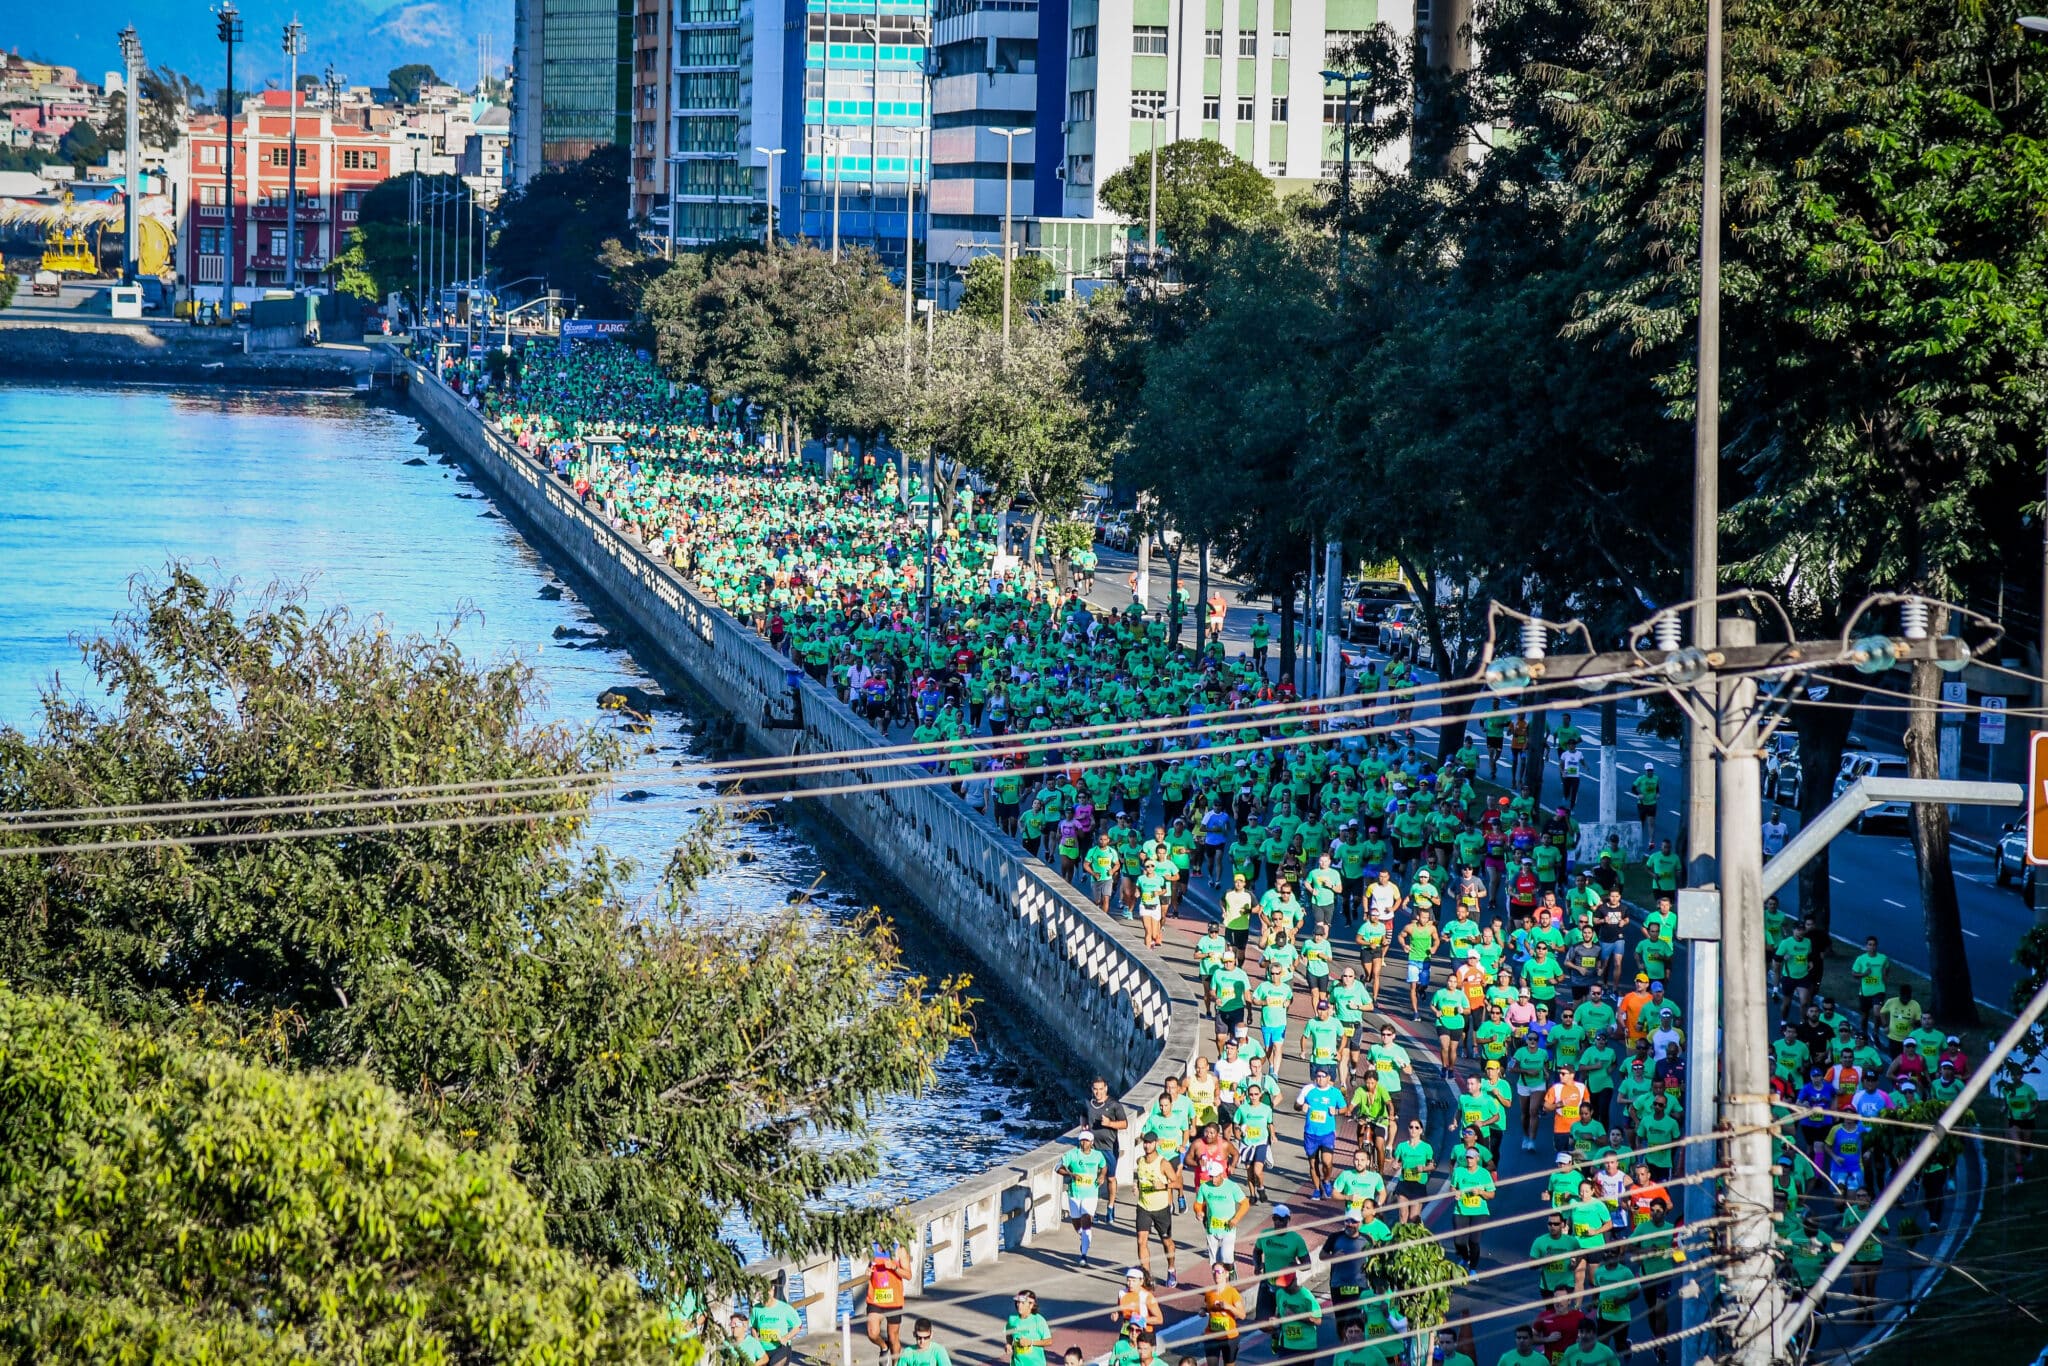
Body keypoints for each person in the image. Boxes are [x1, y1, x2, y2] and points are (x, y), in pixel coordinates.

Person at [1252, 1205, 1311, 1348]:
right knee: (1262, 1323)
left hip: (1287, 1285)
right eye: (1275, 1219)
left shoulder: (1296, 1239)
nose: (1278, 1222)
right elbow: (1257, 1251)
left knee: (1288, 1317)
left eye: (1282, 1219)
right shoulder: (1265, 1234)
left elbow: (1307, 1264)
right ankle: (1276, 1331)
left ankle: (1285, 1341)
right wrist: (1257, 1264)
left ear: (1288, 1219)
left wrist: (1293, 1266)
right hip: (1267, 1283)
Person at [1133, 1132, 1182, 1286]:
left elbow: (1177, 1183)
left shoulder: (1163, 1163)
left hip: (1161, 1209)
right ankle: (1146, 1277)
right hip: (1143, 1207)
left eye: (1150, 1143)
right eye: (1145, 1143)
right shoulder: (1140, 1161)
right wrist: (1137, 1186)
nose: (1147, 1145)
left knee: (1166, 1242)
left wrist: (1164, 1186)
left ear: (1156, 1143)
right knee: (1141, 1241)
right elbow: (1141, 1179)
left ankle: (1171, 1269)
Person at [1299, 1065, 1347, 1198]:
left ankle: (1326, 1180)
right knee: (1313, 1163)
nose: (1320, 1079)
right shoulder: (1309, 1091)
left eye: (1323, 1076)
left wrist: (1336, 1111)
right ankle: (1316, 1189)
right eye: (1318, 1076)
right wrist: (1302, 1106)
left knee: (1327, 1162)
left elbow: (1345, 1109)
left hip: (1327, 1134)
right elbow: (1296, 1105)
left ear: (1329, 1078)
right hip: (1310, 1133)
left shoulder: (1334, 1093)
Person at [1062, 1132, 1109, 1267]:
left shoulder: (1097, 1155)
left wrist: (1101, 1176)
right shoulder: (1072, 1155)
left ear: (1092, 1142)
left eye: (1087, 1141)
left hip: (1091, 1194)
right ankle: (1084, 1236)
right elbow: (1058, 1168)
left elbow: (1104, 1166)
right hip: (1075, 1194)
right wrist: (1071, 1174)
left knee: (1086, 1218)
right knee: (1077, 1223)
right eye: (1082, 1141)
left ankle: (1083, 1255)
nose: (1084, 1143)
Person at [1086, 1078, 1132, 1216]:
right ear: (1092, 1089)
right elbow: (1083, 1115)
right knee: (1093, 1178)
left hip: (1110, 1148)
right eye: (1095, 1089)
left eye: (1101, 1089)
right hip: (1093, 1148)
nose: (1098, 1092)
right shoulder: (1088, 1103)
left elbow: (1124, 1124)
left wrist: (1110, 1123)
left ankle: (1111, 1206)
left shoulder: (1114, 1105)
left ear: (1106, 1088)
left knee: (1110, 1178)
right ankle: (1092, 1210)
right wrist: (1084, 1126)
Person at [865, 1243, 913, 1364]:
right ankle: (884, 1347)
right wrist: (867, 1271)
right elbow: (870, 1267)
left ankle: (895, 1363)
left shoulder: (900, 1249)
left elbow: (908, 1275)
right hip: (876, 1298)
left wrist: (894, 1267)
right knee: (872, 1333)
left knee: (893, 1338)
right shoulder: (872, 1247)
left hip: (894, 1301)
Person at [1194, 1165, 1249, 1268]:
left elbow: (1245, 1203)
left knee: (1226, 1258)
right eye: (1211, 1177)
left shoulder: (1232, 1186)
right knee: (1213, 1262)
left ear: (1221, 1175)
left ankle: (1231, 1271)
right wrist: (1198, 1211)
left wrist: (1236, 1219)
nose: (1213, 1180)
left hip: (1228, 1228)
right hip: (1212, 1228)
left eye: (1216, 1176)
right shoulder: (1204, 1187)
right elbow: (1198, 1203)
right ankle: (1219, 1282)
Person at [1449, 1146, 1496, 1267]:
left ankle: (1473, 1268)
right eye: (1467, 1157)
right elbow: (1452, 1187)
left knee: (1474, 1241)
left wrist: (1481, 1192)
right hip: (1461, 1210)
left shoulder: (1484, 1174)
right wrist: (1455, 1192)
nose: (1469, 1160)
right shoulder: (1459, 1171)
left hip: (1479, 1212)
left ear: (1477, 1158)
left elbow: (1491, 1194)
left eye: (1472, 1158)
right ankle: (1465, 1258)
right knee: (1459, 1242)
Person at [1201, 1263, 1248, 1366]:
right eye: (1214, 1272)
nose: (1216, 1274)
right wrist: (1203, 1311)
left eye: (1219, 1272)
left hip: (1229, 1337)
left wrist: (1229, 1307)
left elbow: (1242, 1315)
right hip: (1211, 1336)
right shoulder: (1209, 1293)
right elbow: (1208, 1308)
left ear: (1226, 1274)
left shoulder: (1232, 1292)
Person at [751, 1289, 805, 1366]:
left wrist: (786, 1338)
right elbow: (753, 1327)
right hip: (762, 1349)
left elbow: (798, 1326)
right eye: (760, 1295)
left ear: (772, 1291)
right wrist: (755, 1338)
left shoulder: (785, 1308)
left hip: (780, 1348)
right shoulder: (756, 1309)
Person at [1115, 1267, 1165, 1346]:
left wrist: (1140, 1320)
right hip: (1126, 1332)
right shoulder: (1122, 1293)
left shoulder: (1147, 1297)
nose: (1130, 1284)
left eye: (1134, 1281)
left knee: (1142, 1357)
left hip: (1144, 1334)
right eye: (1128, 1280)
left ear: (1141, 1281)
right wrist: (1116, 1314)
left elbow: (1159, 1319)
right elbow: (1120, 1310)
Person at [1007, 1291, 1053, 1366]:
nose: (1019, 1305)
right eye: (1018, 1302)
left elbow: (1049, 1341)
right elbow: (1008, 1332)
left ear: (1031, 1305)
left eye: (1022, 1303)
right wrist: (1008, 1343)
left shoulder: (1038, 1320)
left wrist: (1030, 1342)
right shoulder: (1012, 1320)